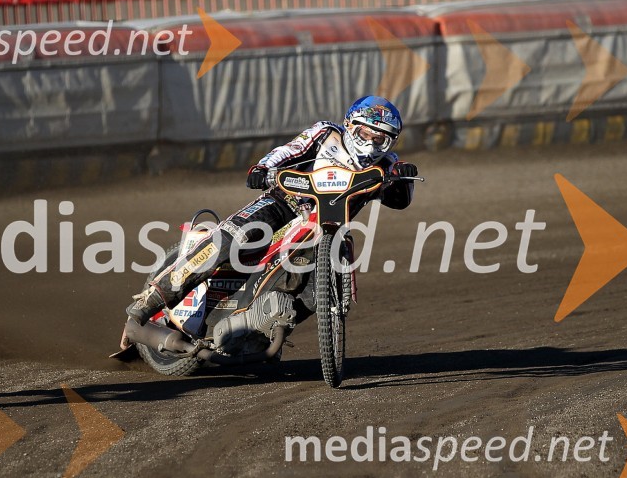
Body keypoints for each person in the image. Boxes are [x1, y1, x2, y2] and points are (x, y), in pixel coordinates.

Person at [125, 95, 418, 326]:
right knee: (232, 240)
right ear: (350, 125)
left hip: (326, 227)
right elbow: (290, 150)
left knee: (313, 296)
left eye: (380, 138)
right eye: (366, 132)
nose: (370, 142)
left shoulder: (387, 164)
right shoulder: (326, 133)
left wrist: (403, 175)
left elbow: (401, 198)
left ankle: (262, 327)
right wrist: (263, 168)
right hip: (283, 203)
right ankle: (152, 300)